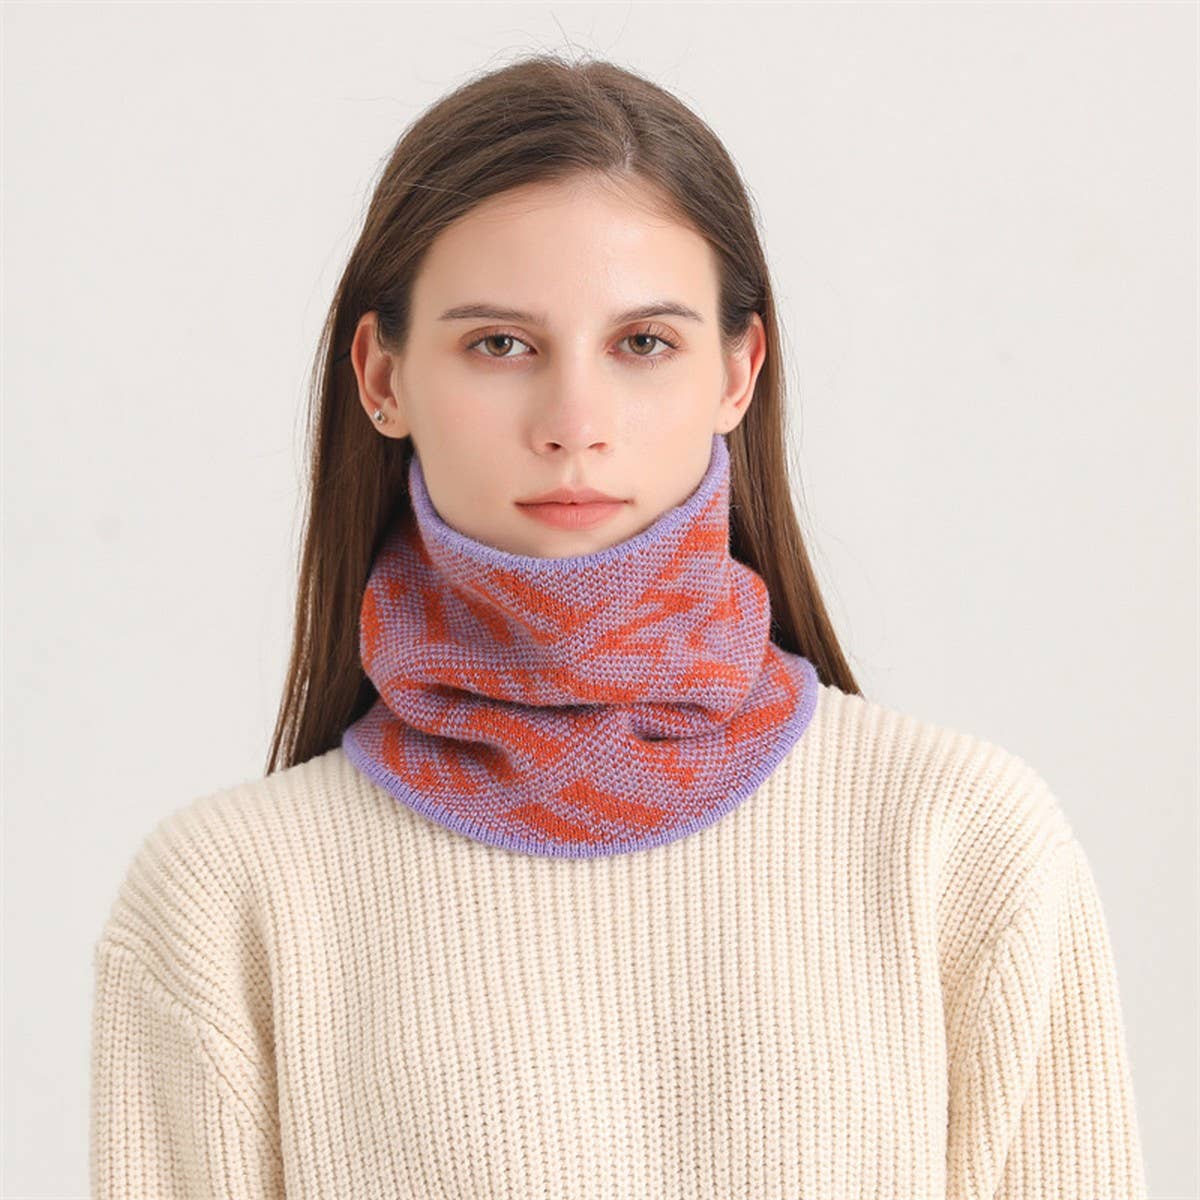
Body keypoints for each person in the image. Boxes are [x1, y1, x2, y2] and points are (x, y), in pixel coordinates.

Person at [89, 52, 1148, 1199]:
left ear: (738, 373)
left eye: (643, 343)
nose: (574, 422)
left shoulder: (959, 844)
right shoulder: (224, 899)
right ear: (381, 377)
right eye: (500, 344)